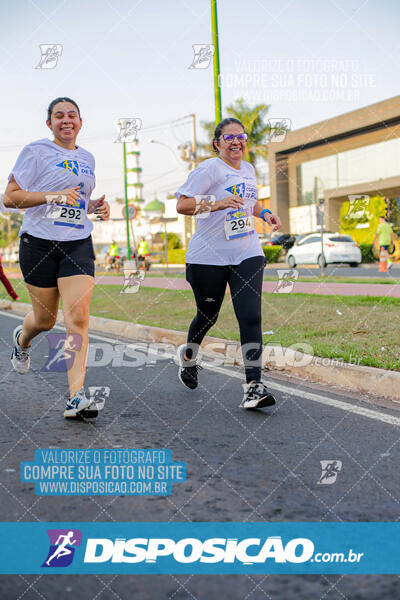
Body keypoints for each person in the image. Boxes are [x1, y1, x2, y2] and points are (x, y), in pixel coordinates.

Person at [3, 97, 110, 419]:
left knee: (77, 317)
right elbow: (10, 197)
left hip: (77, 242)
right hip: (37, 244)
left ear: (80, 122)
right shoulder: (35, 151)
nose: (67, 120)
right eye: (59, 116)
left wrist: (95, 207)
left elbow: (76, 201)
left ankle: (76, 398)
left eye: (72, 115)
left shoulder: (88, 157)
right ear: (49, 123)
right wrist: (54, 196)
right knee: (45, 321)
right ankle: (22, 340)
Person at [175, 117, 281, 409]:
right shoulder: (209, 169)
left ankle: (253, 386)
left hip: (247, 250)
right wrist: (216, 204)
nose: (236, 141)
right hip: (208, 256)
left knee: (250, 315)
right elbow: (182, 204)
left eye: (241, 136)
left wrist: (265, 213)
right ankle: (189, 356)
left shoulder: (248, 169)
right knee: (208, 315)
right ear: (217, 143)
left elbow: (250, 203)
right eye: (229, 137)